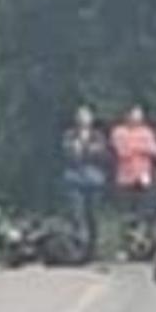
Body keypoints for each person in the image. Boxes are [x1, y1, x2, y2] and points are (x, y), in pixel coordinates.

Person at [110, 105, 156, 258]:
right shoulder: (119, 132)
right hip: (125, 179)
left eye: (139, 114)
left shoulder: (147, 132)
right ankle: (125, 248)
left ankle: (143, 247)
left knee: (144, 214)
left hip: (143, 177)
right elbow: (122, 151)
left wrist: (134, 147)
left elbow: (154, 151)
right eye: (134, 114)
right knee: (126, 215)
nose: (136, 117)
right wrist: (141, 147)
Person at [61, 105, 109, 262]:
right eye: (80, 116)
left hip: (94, 181)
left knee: (93, 215)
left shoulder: (98, 136)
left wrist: (85, 148)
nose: (83, 119)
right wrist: (81, 150)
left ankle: (93, 250)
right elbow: (68, 154)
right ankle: (78, 250)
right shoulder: (69, 135)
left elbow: (102, 154)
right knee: (77, 215)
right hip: (74, 180)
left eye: (86, 116)